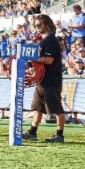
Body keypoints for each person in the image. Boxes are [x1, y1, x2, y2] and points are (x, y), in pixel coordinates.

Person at [23, 14, 65, 143]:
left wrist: (33, 59)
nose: (36, 27)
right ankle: (32, 131)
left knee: (56, 108)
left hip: (51, 80)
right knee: (38, 107)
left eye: (39, 25)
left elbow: (49, 60)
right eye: (35, 25)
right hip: (42, 80)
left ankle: (59, 134)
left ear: (46, 24)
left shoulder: (50, 40)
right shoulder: (44, 40)